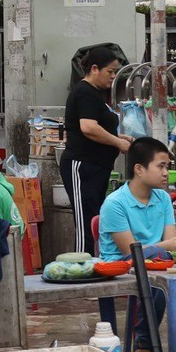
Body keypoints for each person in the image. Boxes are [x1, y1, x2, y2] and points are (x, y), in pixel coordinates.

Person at [97, 137, 176, 332]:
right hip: (120, 265)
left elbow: (170, 240)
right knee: (154, 267)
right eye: (160, 167)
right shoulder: (114, 204)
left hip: (156, 261)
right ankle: (144, 340)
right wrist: (167, 246)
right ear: (139, 169)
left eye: (167, 166)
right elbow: (130, 251)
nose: (166, 173)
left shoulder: (163, 198)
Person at [61, 46, 132, 255]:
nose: (113, 76)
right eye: (110, 71)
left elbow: (96, 127)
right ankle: (83, 268)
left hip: (97, 167)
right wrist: (118, 144)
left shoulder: (95, 94)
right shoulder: (84, 92)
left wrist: (118, 137)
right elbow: (88, 128)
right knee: (85, 221)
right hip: (82, 165)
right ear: (94, 69)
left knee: (95, 219)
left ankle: (97, 264)